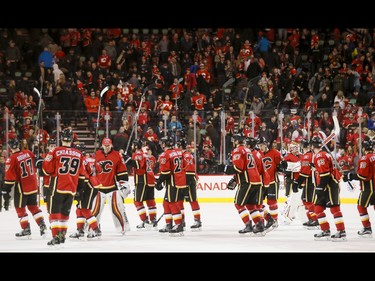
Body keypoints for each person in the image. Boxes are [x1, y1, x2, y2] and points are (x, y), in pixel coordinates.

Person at [42, 128, 87, 246]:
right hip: (71, 188)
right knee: (64, 213)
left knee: (54, 212)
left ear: (61, 139)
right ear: (72, 139)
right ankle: (62, 235)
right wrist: (79, 190)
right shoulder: (79, 154)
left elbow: (47, 170)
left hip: (58, 186)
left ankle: (56, 235)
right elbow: (82, 175)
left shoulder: (55, 151)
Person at [220, 134, 266, 236]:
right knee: (251, 206)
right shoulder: (248, 150)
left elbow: (239, 168)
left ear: (236, 141)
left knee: (238, 204)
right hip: (256, 181)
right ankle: (259, 225)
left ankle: (248, 225)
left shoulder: (237, 150)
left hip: (247, 181)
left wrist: (224, 169)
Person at [4, 138, 48, 239]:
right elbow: (38, 162)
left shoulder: (12, 159)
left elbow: (10, 178)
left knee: (20, 208)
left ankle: (26, 229)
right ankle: (42, 225)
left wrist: (5, 189)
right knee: (33, 207)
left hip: (22, 187)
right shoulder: (28, 152)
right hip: (33, 185)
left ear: (10, 148)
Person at [310, 136, 347, 241]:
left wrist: (320, 187)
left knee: (334, 208)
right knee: (318, 208)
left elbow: (325, 173)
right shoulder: (323, 154)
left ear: (312, 146)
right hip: (327, 184)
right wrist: (315, 167)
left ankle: (341, 231)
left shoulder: (320, 156)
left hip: (329, 185)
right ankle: (325, 230)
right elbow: (324, 169)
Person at [92, 137, 130, 235]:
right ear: (102, 145)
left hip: (112, 188)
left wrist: (123, 184)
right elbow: (91, 171)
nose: (107, 147)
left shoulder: (117, 155)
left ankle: (122, 228)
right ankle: (94, 228)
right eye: (105, 145)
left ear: (111, 145)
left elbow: (122, 171)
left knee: (116, 210)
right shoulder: (96, 155)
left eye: (108, 145)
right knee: (95, 211)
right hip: (99, 188)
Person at [123, 139, 158, 230]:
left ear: (135, 146)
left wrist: (128, 160)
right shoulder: (149, 156)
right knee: (150, 201)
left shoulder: (138, 154)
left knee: (137, 201)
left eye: (132, 145)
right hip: (150, 180)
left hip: (142, 180)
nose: (131, 147)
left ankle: (145, 221)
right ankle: (153, 220)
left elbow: (138, 166)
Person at [69, 143, 102, 239]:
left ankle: (96, 230)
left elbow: (84, 176)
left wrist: (80, 190)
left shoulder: (81, 160)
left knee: (84, 209)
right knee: (79, 209)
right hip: (93, 185)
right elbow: (99, 169)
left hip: (88, 186)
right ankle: (80, 230)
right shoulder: (91, 159)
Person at [155, 136, 186, 236]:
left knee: (172, 202)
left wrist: (159, 181)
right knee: (166, 202)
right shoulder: (179, 151)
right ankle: (169, 224)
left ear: (164, 144)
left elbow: (166, 172)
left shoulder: (165, 155)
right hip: (179, 180)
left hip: (173, 182)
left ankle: (178, 225)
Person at [343, 140, 374, 237]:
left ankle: (367, 228)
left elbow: (363, 176)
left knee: (361, 206)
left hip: (369, 188)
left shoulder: (365, 158)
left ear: (364, 148)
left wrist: (350, 176)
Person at [257, 137, 282, 232]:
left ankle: (275, 221)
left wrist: (282, 167)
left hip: (272, 182)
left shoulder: (275, 153)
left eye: (262, 145)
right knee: (258, 203)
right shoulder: (258, 154)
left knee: (272, 202)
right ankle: (266, 219)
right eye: (259, 145)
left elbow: (280, 166)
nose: (261, 147)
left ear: (266, 144)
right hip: (262, 183)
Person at [178, 139, 202, 230]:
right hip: (187, 178)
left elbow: (188, 169)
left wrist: (186, 181)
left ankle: (193, 220)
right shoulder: (189, 155)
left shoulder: (184, 155)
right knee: (185, 200)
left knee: (189, 200)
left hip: (187, 179)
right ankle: (193, 220)